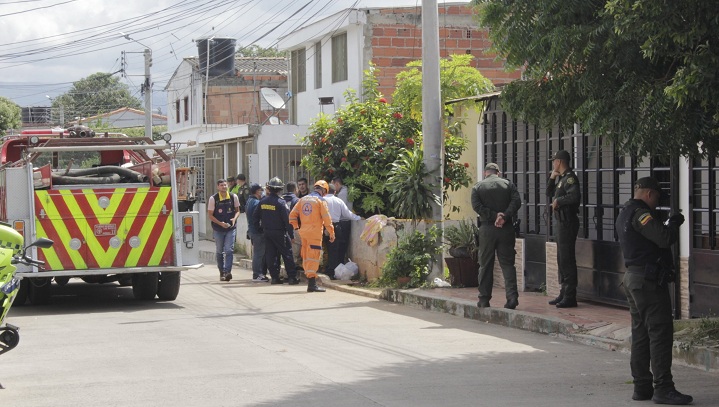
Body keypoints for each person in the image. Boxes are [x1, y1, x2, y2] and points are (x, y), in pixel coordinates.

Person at [615, 177, 692, 405]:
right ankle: (663, 388)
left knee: (641, 334)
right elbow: (663, 237)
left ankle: (642, 387)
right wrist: (673, 222)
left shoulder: (625, 212)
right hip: (647, 282)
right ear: (649, 194)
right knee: (659, 333)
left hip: (634, 279)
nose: (657, 203)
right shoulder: (640, 214)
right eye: (657, 197)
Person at [471, 163, 522, 309]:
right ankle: (512, 298)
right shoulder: (508, 184)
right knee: (507, 264)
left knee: (485, 265)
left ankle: (484, 299)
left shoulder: (478, 187)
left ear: (484, 173)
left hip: (487, 229)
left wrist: (494, 216)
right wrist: (504, 216)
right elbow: (517, 202)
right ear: (498, 173)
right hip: (505, 229)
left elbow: (476, 206)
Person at [546, 149, 581, 308]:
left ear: (559, 162)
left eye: (554, 161)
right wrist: (552, 178)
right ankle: (563, 291)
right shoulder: (562, 179)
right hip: (560, 222)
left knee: (567, 259)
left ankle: (570, 295)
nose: (553, 164)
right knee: (561, 259)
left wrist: (558, 201)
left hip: (568, 222)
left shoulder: (570, 179)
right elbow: (548, 193)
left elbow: (574, 197)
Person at [289, 180, 335, 292]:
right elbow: (327, 219)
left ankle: (311, 283)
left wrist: (296, 228)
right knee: (313, 258)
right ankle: (311, 284)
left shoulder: (302, 200)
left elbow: (292, 215)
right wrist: (332, 232)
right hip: (314, 234)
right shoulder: (321, 201)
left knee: (306, 256)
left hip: (303, 233)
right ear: (324, 190)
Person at [253, 177, 299, 285]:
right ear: (279, 189)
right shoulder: (281, 203)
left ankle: (274, 277)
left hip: (267, 233)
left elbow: (255, 217)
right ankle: (292, 278)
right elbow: (287, 221)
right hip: (280, 233)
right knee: (287, 254)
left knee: (271, 255)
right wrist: (291, 235)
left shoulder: (262, 201)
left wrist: (260, 229)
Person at [324, 183, 361, 279]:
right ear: (335, 192)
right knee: (334, 249)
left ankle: (328, 269)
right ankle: (332, 271)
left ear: (326, 191)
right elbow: (348, 214)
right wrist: (358, 218)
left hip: (324, 227)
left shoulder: (322, 200)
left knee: (326, 249)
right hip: (335, 226)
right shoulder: (338, 201)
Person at [207, 179, 240, 282]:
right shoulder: (213, 199)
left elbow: (238, 211)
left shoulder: (233, 197)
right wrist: (220, 223)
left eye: (225, 185)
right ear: (218, 187)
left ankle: (227, 272)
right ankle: (221, 271)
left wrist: (234, 219)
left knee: (229, 250)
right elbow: (210, 215)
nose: (224, 187)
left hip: (231, 228)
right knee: (219, 251)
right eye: (222, 185)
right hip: (218, 229)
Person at [246, 183, 269, 282]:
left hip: (252, 230)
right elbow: (258, 218)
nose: (262, 192)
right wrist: (261, 229)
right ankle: (257, 274)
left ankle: (258, 273)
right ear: (257, 191)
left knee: (257, 253)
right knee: (259, 254)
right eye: (261, 190)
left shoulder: (249, 201)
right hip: (257, 232)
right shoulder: (256, 203)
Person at [282, 182, 303, 270]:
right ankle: (290, 272)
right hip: (294, 228)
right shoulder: (297, 200)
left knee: (285, 250)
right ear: (295, 189)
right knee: (294, 250)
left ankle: (288, 270)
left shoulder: (281, 199)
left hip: (282, 229)